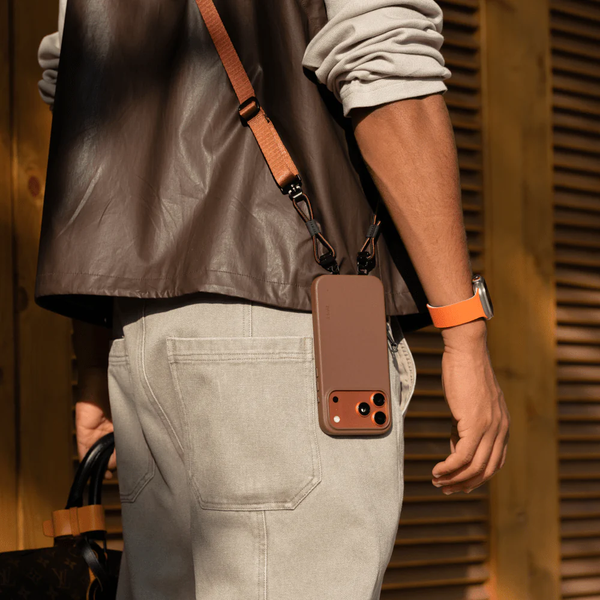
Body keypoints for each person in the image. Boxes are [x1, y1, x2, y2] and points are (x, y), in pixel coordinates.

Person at [37, 0, 510, 598]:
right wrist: (464, 330)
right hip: (282, 325)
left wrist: (92, 364)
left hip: (143, 333)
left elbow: (81, 90)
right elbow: (387, 65)